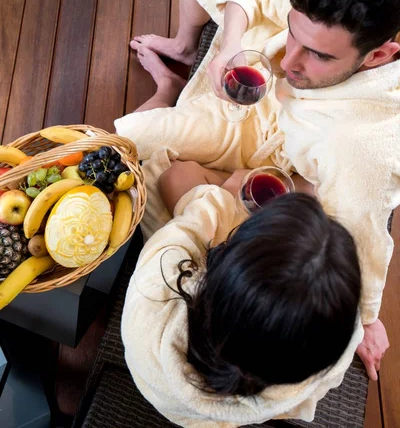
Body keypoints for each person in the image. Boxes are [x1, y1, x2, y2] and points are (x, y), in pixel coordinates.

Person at [116, 0, 398, 381]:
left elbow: (362, 233)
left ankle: (170, 95)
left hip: (276, 159)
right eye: (293, 28)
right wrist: (228, 46)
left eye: (318, 56)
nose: (288, 61)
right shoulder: (330, 0)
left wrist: (366, 317)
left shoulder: (359, 149)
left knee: (162, 172)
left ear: (379, 55)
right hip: (258, 104)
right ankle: (183, 52)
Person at [121, 178, 363, 428]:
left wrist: (224, 194)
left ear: (226, 266)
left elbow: (184, 202)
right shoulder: (322, 366)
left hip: (161, 389)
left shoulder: (151, 298)